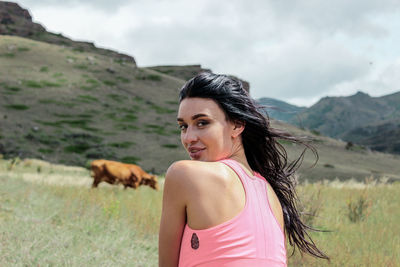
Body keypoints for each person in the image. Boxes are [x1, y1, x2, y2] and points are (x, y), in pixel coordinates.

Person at [158, 72, 328, 266]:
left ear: (237, 125)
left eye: (202, 123)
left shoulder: (184, 175)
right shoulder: (271, 195)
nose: (188, 138)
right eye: (183, 126)